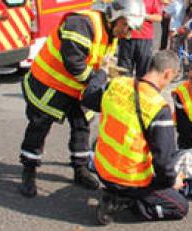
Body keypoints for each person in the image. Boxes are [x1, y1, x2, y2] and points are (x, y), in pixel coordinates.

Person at [18, 0, 137, 198]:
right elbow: (75, 64)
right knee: (39, 126)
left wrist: (110, 74)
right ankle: (28, 170)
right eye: (126, 25)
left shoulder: (110, 33)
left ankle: (80, 169)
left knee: (82, 126)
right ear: (115, 17)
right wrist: (99, 78)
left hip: (77, 88)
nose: (127, 32)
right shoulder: (82, 24)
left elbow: (97, 60)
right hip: (51, 83)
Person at [81, 50, 188, 224]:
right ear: (167, 74)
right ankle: (123, 202)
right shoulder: (158, 108)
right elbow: (163, 162)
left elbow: (88, 98)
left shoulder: (117, 84)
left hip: (102, 168)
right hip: (129, 179)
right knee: (180, 207)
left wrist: (102, 72)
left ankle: (116, 193)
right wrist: (170, 182)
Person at [117, 0, 163, 78]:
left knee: (143, 72)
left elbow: (158, 17)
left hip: (144, 38)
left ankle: (140, 89)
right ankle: (126, 89)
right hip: (126, 37)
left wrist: (143, 16)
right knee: (123, 71)